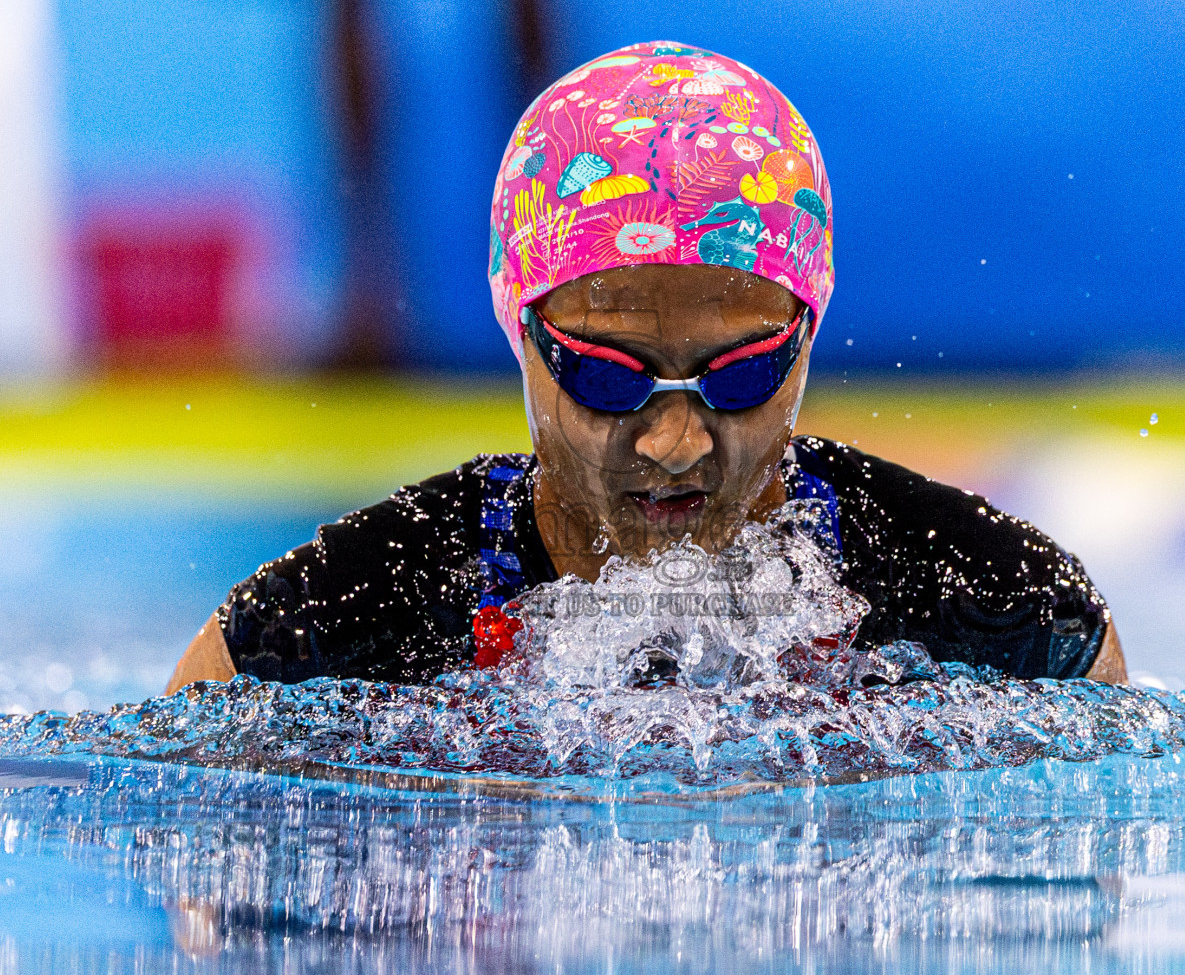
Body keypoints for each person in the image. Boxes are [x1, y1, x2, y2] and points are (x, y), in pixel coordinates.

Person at [167, 42, 1126, 694]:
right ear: (523, 335)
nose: (675, 442)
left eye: (742, 374)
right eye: (610, 376)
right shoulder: (330, 623)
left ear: (807, 336)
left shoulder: (1003, 608)